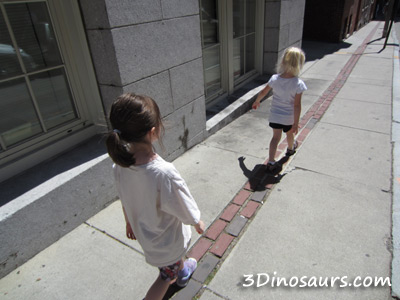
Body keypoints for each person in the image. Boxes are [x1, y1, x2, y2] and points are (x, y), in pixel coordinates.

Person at [106, 93, 205, 300]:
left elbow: (125, 198)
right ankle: (177, 273)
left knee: (169, 264)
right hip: (165, 240)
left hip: (146, 233)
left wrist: (128, 223)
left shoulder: (120, 166)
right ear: (153, 131)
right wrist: (196, 220)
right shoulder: (163, 172)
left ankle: (182, 270)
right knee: (164, 276)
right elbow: (182, 204)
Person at [252, 47, 307, 170]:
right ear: (300, 64)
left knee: (275, 138)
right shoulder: (298, 83)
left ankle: (271, 161)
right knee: (289, 134)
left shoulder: (275, 79)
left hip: (275, 115)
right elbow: (297, 105)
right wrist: (296, 123)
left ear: (283, 62)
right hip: (288, 117)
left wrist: (257, 101)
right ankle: (290, 149)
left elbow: (263, 92)